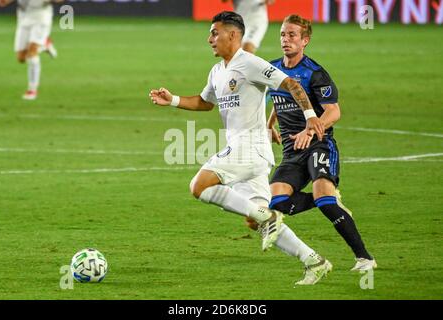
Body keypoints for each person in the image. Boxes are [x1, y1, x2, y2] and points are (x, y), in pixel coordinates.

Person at [150, 11, 332, 285]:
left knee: (199, 186)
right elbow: (205, 102)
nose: (209, 38)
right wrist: (173, 100)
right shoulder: (217, 71)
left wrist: (310, 117)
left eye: (215, 32)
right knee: (254, 219)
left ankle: (266, 215)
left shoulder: (250, 63)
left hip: (249, 148)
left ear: (233, 35)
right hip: (248, 154)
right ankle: (314, 261)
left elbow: (291, 83)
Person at [263, 14, 377, 271]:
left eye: (292, 35)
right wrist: (269, 124)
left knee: (324, 199)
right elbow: (278, 98)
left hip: (318, 145)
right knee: (276, 202)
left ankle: (364, 258)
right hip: (292, 151)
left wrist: (310, 131)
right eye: (283, 34)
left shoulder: (315, 73)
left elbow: (334, 112)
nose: (286, 39)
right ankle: (330, 199)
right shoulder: (272, 68)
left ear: (305, 41)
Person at [0, 0, 61, 100]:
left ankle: (32, 90)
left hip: (41, 15)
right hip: (23, 16)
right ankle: (44, 44)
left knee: (32, 54)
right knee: (21, 58)